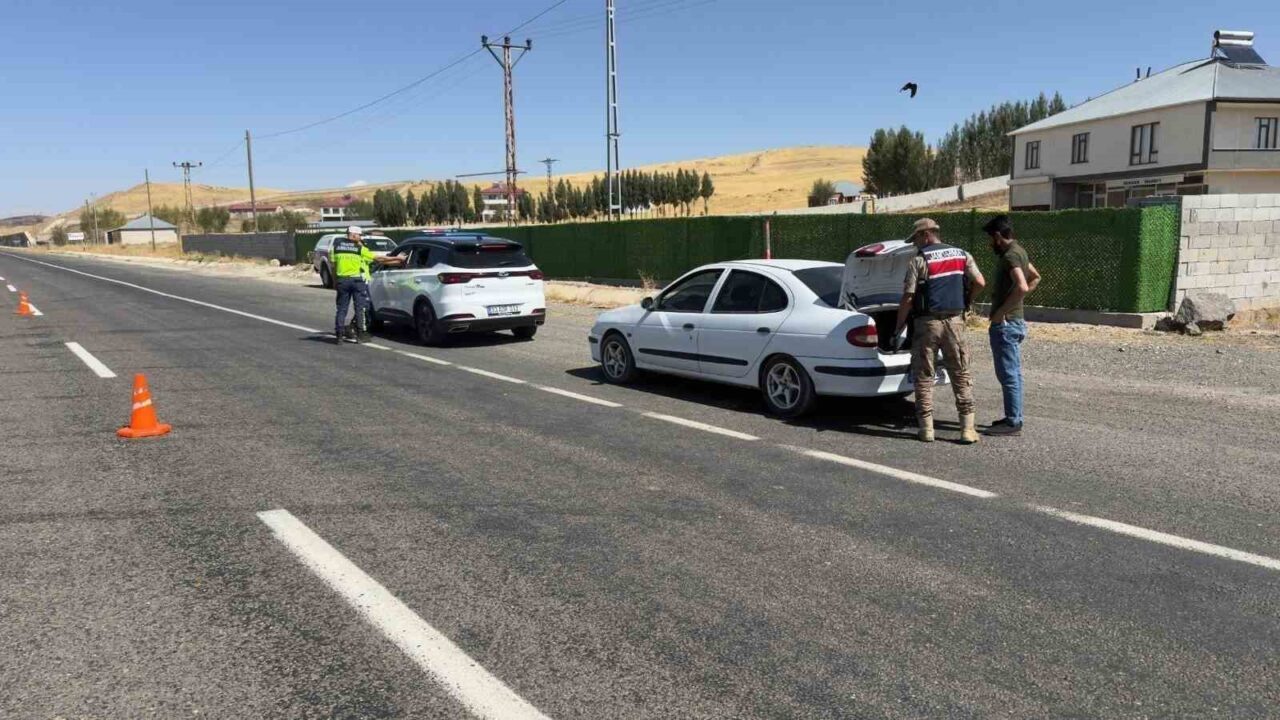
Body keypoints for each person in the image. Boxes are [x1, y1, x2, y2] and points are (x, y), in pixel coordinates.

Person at [892, 218, 985, 444]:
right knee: (960, 372)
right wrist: (966, 302)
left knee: (924, 375)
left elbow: (909, 297)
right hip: (955, 321)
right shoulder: (962, 254)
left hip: (927, 324)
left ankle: (926, 430)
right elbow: (980, 282)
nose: (915, 244)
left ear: (926, 234)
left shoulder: (918, 260)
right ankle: (967, 430)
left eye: (916, 239)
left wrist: (899, 325)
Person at [982, 215, 1040, 437]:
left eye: (991, 238)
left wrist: (1000, 313)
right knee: (1012, 373)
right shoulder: (1020, 251)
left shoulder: (1010, 256)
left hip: (1006, 325)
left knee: (1008, 374)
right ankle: (1012, 416)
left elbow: (1023, 286)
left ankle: (1014, 421)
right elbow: (1035, 278)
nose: (990, 243)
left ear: (998, 236)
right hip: (1014, 322)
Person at [331, 226, 375, 345]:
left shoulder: (336, 247)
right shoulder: (359, 248)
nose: (360, 237)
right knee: (359, 308)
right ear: (353, 235)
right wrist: (397, 258)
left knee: (341, 309)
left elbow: (333, 266)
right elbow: (376, 258)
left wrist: (335, 281)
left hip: (342, 281)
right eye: (359, 235)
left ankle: (339, 336)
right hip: (357, 281)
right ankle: (360, 335)